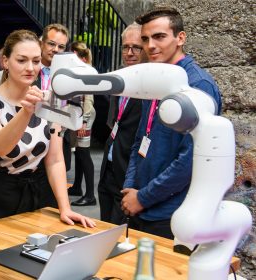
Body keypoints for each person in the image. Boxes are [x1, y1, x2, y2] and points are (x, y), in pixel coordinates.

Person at [0, 29, 95, 228]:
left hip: (38, 193)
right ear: (5, 61)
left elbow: (55, 159)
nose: (30, 68)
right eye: (21, 60)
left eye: (36, 61)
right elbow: (0, 146)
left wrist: (65, 207)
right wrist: (26, 111)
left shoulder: (48, 100)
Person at [121, 7, 222, 239]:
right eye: (145, 39)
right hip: (139, 204)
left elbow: (190, 159)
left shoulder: (198, 84)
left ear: (180, 38)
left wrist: (143, 197)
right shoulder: (156, 78)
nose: (151, 46)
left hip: (171, 213)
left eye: (159, 36)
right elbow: (139, 140)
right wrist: (130, 187)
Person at [98, 23, 145, 223]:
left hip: (129, 174)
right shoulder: (120, 79)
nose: (130, 53)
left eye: (136, 47)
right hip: (109, 168)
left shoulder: (151, 86)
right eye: (125, 47)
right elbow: (114, 121)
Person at [33, 24, 73, 171]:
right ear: (41, 42)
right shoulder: (29, 69)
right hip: (30, 140)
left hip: (57, 139)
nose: (56, 49)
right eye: (51, 44)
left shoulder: (69, 74)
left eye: (61, 47)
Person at [67, 41, 97, 207]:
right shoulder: (79, 71)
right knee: (79, 153)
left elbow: (89, 99)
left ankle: (90, 195)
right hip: (78, 115)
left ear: (83, 58)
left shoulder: (87, 73)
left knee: (84, 154)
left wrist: (83, 122)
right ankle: (77, 187)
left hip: (84, 116)